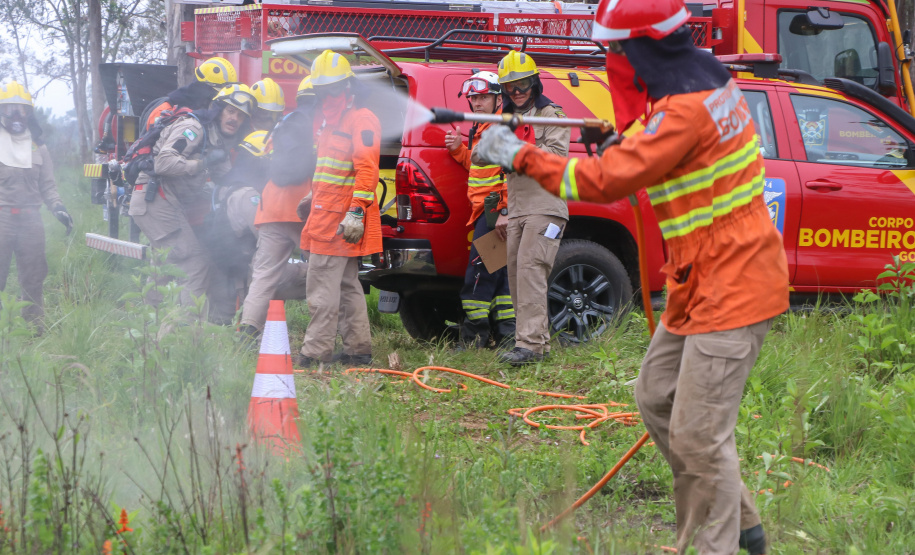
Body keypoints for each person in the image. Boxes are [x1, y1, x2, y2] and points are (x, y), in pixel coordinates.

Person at [472, 1, 788, 552]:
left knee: (697, 435)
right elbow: (671, 149)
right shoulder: (707, 80)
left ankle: (714, 544)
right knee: (656, 395)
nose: (612, 63)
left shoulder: (684, 109)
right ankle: (745, 527)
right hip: (700, 280)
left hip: (735, 285)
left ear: (639, 49)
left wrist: (516, 153)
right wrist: (623, 140)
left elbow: (603, 182)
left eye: (614, 52)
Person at [128, 84, 256, 321]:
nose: (234, 119)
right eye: (230, 111)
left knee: (164, 265)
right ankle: (188, 334)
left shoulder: (217, 141)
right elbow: (163, 163)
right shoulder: (193, 128)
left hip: (163, 203)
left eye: (240, 115)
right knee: (195, 262)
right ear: (218, 109)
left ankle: (148, 324)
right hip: (154, 199)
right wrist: (202, 164)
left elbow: (227, 180)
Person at [295, 50, 382, 368]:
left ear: (347, 87)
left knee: (320, 286)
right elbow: (333, 172)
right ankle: (358, 349)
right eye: (322, 90)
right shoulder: (331, 123)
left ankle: (315, 352)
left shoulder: (360, 119)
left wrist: (357, 210)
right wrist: (311, 195)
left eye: (332, 88)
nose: (326, 96)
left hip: (338, 221)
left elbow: (367, 169)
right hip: (328, 216)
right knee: (346, 286)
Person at [491, 50, 570, 366]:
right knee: (515, 275)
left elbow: (555, 154)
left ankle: (530, 347)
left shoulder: (551, 114)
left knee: (530, 271)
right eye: (510, 86)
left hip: (546, 206)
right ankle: (538, 343)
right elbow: (485, 157)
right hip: (518, 209)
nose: (517, 91)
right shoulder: (506, 120)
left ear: (534, 82)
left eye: (522, 83)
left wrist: (513, 149)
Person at [239, 76, 317, 340]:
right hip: (301, 209)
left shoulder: (284, 124)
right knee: (324, 270)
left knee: (264, 275)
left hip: (270, 207)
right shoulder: (318, 125)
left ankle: (248, 330)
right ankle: (328, 336)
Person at [443, 71, 515, 349]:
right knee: (499, 278)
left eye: (483, 97)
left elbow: (511, 174)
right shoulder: (482, 130)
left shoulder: (501, 130)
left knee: (479, 274)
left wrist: (505, 212)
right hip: (485, 214)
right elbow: (479, 169)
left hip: (495, 213)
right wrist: (459, 150)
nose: (477, 103)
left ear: (499, 99)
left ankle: (474, 339)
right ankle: (508, 335)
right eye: (473, 98)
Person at [0, 81, 72, 333]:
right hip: (2, 218)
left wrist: (58, 207)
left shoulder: (38, 146)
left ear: (29, 113)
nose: (16, 115)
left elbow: (48, 186)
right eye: (10, 109)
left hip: (31, 220)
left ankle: (33, 331)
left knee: (34, 277)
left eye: (22, 109)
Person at [143, 57, 238, 131]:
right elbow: (157, 148)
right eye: (215, 94)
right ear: (205, 88)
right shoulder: (164, 111)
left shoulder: (204, 114)